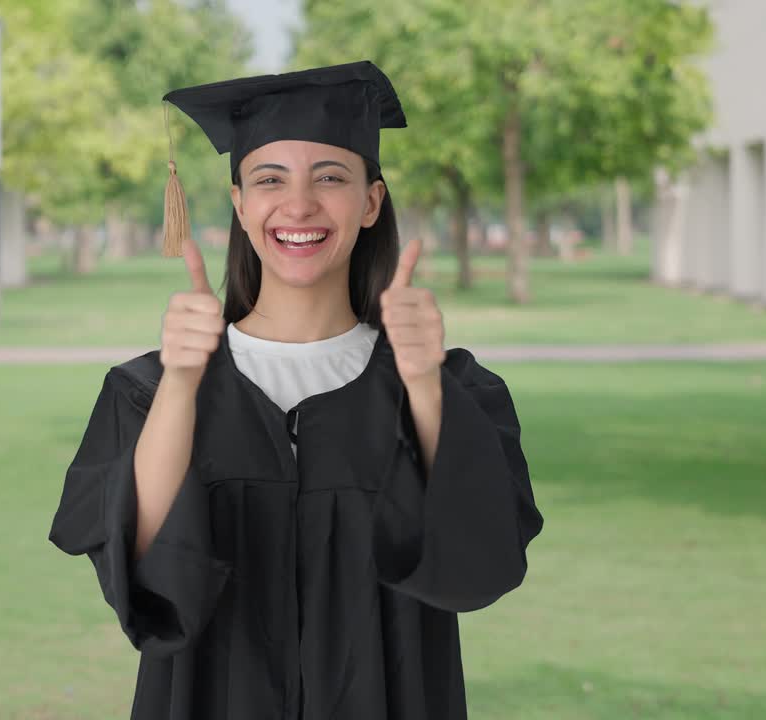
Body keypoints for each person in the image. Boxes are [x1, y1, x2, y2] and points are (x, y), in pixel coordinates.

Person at [48, 60, 544, 720]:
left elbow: (480, 564)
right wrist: (183, 383)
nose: (299, 205)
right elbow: (143, 575)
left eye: (331, 177)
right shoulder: (146, 390)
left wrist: (423, 385)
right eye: (270, 179)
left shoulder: (452, 389)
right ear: (240, 205)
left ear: (371, 202)